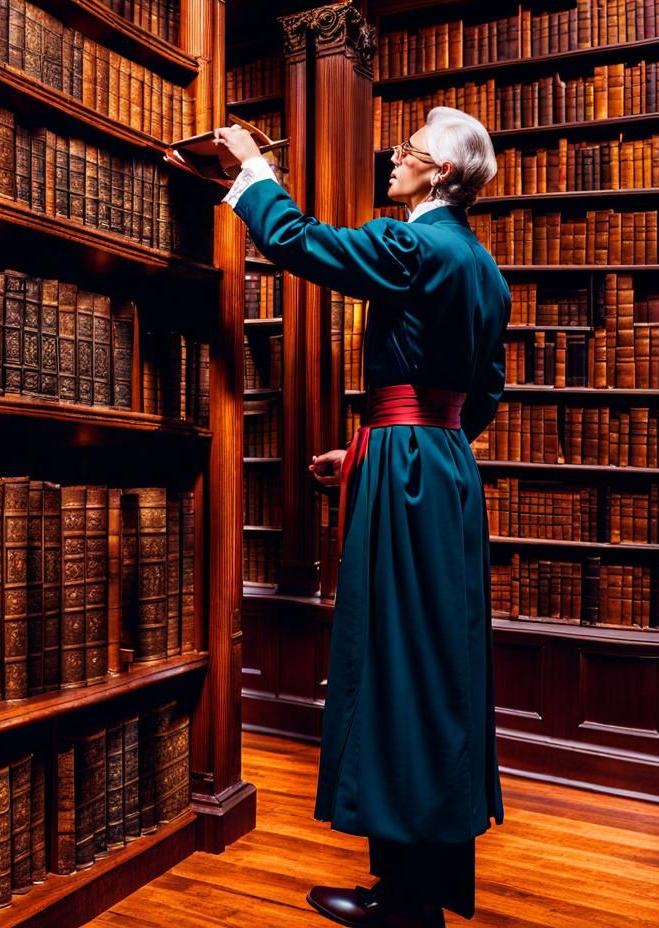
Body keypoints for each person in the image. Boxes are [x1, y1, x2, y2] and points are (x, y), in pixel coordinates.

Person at [214, 106, 509, 928]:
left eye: (410, 153)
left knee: (399, 665)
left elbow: (305, 244)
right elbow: (477, 395)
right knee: (432, 666)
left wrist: (253, 170)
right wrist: (383, 448)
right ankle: (414, 889)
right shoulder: (485, 269)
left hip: (412, 471)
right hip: (443, 471)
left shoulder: (418, 246)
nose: (394, 160)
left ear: (443, 174)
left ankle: (407, 906)